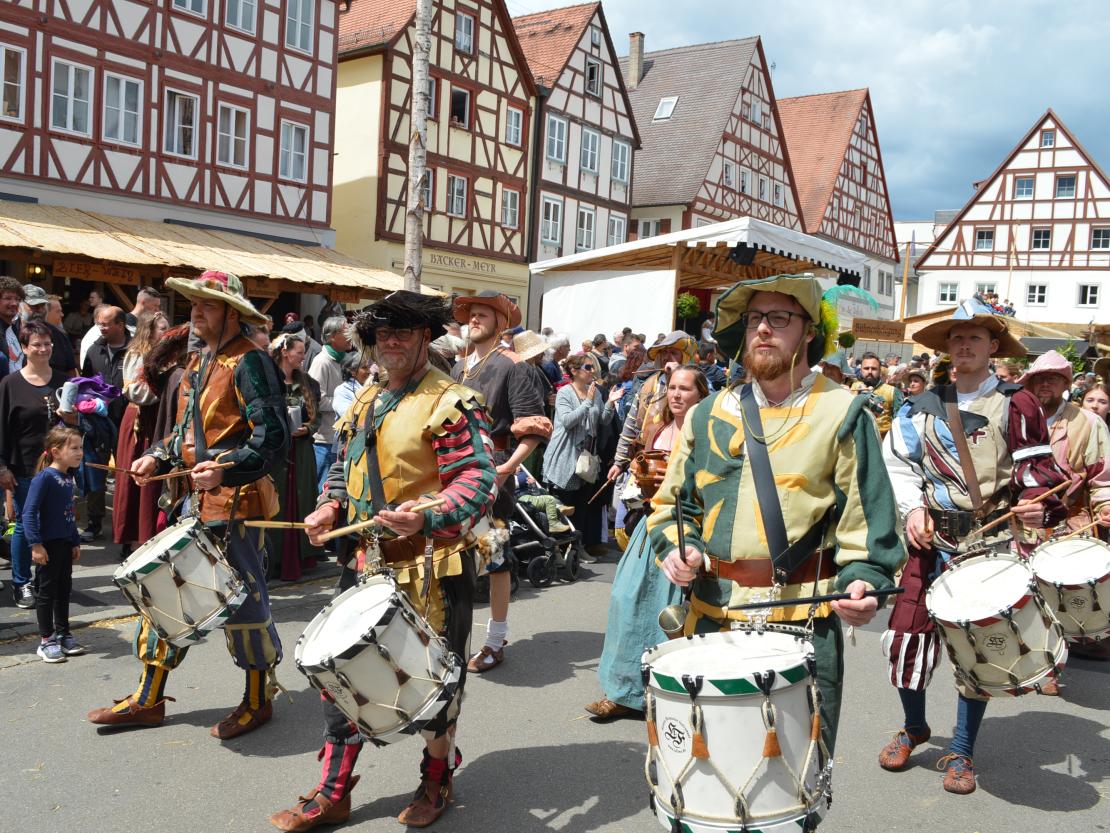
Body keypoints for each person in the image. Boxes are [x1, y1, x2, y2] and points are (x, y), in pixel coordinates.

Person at [648, 275, 903, 782]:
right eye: (754, 320)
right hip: (711, 616)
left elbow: (868, 520)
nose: (763, 329)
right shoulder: (706, 414)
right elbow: (672, 507)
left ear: (809, 332)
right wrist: (681, 549)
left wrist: (865, 580)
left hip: (802, 621)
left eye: (780, 318)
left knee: (790, 785)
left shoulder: (843, 411)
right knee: (706, 782)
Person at [269, 291, 497, 831]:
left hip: (432, 566)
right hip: (364, 564)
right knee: (341, 675)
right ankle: (334, 791)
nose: (390, 342)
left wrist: (429, 514)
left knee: (435, 683)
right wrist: (328, 506)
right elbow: (340, 470)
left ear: (424, 338)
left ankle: (436, 776)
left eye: (403, 332)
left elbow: (478, 478)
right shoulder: (364, 400)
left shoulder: (451, 400)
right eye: (382, 334)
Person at [87, 270, 289, 737]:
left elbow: (272, 438)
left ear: (233, 313)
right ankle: (148, 697)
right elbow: (185, 435)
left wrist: (228, 466)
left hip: (238, 503)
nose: (196, 312)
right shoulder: (198, 360)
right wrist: (158, 456)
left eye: (208, 305)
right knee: (166, 589)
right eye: (194, 304)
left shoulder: (251, 363)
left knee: (243, 602)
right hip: (193, 500)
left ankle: (259, 699)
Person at [880, 297, 1067, 795]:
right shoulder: (917, 405)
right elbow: (899, 467)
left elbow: (1036, 474)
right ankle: (916, 726)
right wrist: (912, 509)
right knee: (906, 638)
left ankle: (961, 749)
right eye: (956, 338)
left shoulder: (1016, 401)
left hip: (988, 541)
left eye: (976, 338)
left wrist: (1033, 506)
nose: (964, 345)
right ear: (947, 348)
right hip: (930, 538)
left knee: (977, 647)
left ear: (992, 348)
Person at [586, 366, 709, 720]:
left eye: (685, 388)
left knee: (672, 615)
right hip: (650, 525)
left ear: (701, 394)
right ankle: (621, 690)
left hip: (690, 530)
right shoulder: (658, 427)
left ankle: (667, 695)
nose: (676, 394)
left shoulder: (709, 433)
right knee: (626, 601)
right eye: (672, 387)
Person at [450, 290, 551, 674]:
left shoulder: (513, 366)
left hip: (492, 478)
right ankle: (452, 640)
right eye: (470, 314)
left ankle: (495, 641)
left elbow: (535, 428)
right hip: (455, 475)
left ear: (500, 323)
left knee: (494, 557)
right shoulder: (459, 369)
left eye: (482, 315)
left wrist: (506, 468)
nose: (473, 320)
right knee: (455, 558)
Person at [1018, 351, 1110, 667]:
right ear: (1028, 382)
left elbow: (1102, 474)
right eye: (1039, 377)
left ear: (1065, 384)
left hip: (1069, 522)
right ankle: (1038, 661)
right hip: (1021, 523)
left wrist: (1106, 505)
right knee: (1025, 597)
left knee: (1060, 597)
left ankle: (1055, 661)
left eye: (1053, 378)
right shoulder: (1013, 415)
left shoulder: (1088, 422)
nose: (1045, 383)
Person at [0, 321, 73, 609]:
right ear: (25, 348)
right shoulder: (10, 384)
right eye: (37, 344)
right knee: (24, 525)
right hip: (23, 466)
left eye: (47, 344)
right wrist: (2, 467)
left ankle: (48, 577)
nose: (43, 349)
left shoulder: (62, 381)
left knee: (57, 523)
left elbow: (72, 428)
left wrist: (71, 417)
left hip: (58, 467)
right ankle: (21, 582)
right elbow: (2, 429)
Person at [542, 354, 619, 550]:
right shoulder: (565, 393)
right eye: (588, 367)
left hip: (585, 458)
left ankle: (577, 548)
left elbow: (602, 420)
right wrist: (587, 402)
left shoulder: (594, 391)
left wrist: (610, 402)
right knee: (564, 504)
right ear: (574, 371)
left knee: (581, 505)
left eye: (593, 368)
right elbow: (567, 421)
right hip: (566, 456)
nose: (593, 371)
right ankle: (560, 548)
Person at [24, 425, 85, 662]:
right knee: (46, 593)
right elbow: (29, 513)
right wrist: (35, 545)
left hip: (64, 544)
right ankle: (46, 640)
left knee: (63, 590)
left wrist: (75, 541)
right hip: (47, 545)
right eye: (74, 448)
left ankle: (63, 634)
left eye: (81, 447)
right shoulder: (45, 478)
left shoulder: (68, 477)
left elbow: (69, 514)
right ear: (56, 451)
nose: (80, 452)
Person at [112, 311, 170, 558]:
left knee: (154, 482)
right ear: (149, 330)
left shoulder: (167, 355)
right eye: (161, 329)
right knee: (137, 478)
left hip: (157, 418)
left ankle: (151, 534)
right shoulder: (138, 355)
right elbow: (136, 393)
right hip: (141, 420)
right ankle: (134, 539)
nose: (166, 333)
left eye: (168, 328)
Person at [269, 331, 323, 581]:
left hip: (301, 452)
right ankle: (276, 559)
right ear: (285, 352)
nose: (303, 356)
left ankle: (301, 556)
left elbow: (317, 418)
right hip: (277, 451)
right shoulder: (269, 381)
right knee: (276, 503)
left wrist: (308, 428)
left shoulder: (308, 383)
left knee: (301, 500)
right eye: (299, 352)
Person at [79, 304, 130, 541]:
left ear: (120, 324)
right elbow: (86, 382)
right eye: (99, 322)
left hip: (127, 422)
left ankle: (126, 524)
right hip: (98, 423)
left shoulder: (135, 351)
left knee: (126, 473)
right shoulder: (93, 350)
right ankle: (95, 522)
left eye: (106, 323)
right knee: (96, 473)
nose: (101, 327)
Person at [307, 316, 350, 493]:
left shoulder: (344, 360)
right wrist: (345, 403)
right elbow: (315, 399)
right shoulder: (321, 362)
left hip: (338, 439)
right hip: (324, 439)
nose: (350, 336)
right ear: (332, 336)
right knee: (324, 491)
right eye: (345, 331)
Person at [21, 284, 77, 377]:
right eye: (34, 306)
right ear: (20, 306)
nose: (39, 310)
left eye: (42, 306)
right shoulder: (11, 333)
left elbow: (71, 371)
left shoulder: (59, 334)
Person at [857, 351, 903, 438]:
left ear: (879, 371)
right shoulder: (853, 388)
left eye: (874, 369)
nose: (870, 371)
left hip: (882, 443)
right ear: (861, 370)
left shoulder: (893, 391)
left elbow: (899, 422)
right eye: (866, 368)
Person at [331, 351, 371, 425]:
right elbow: (350, 417)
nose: (369, 371)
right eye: (364, 368)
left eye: (368, 367)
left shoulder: (372, 387)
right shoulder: (342, 391)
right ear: (353, 371)